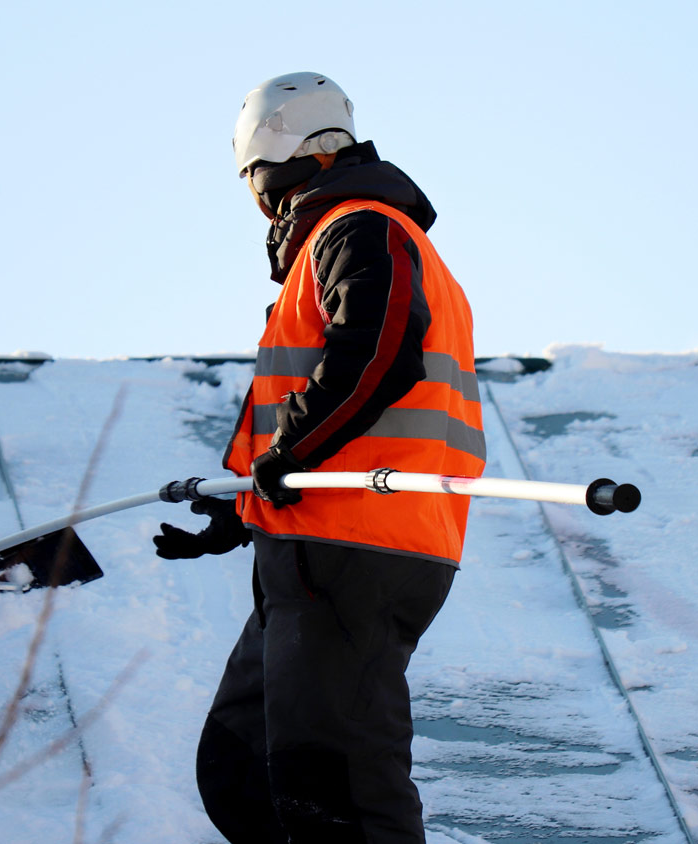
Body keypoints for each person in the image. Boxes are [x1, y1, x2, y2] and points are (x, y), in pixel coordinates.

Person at [152, 72, 486, 843]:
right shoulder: (342, 241)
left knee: (335, 780)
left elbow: (375, 349)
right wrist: (237, 506)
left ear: (285, 156)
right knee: (243, 767)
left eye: (253, 180)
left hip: (356, 540)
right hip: (318, 540)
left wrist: (293, 448)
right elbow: (309, 386)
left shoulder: (361, 227)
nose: (257, 202)